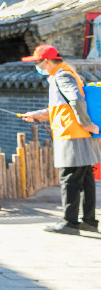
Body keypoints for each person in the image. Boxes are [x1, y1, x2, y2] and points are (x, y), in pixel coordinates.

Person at [21, 45, 101, 234]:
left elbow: (75, 100)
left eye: (37, 62)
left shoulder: (61, 76)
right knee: (85, 180)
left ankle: (70, 223)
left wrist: (86, 123)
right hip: (79, 134)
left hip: (72, 135)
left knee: (70, 180)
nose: (37, 66)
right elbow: (62, 107)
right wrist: (39, 114)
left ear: (46, 61)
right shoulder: (65, 73)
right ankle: (89, 221)